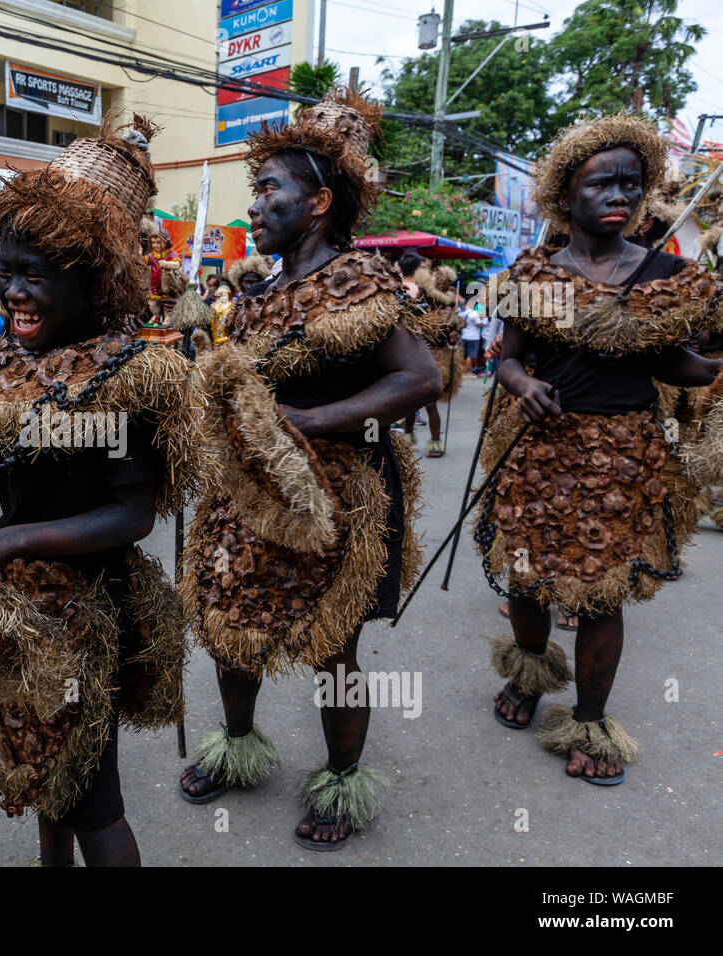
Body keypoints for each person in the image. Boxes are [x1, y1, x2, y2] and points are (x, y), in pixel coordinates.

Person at [0, 115, 203, 867]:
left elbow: (129, 514)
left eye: (36, 274)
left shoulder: (123, 374)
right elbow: (20, 463)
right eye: (8, 272)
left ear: (94, 278)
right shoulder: (8, 360)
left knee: (93, 800)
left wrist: (8, 540)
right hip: (18, 606)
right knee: (49, 776)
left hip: (84, 613)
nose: (14, 291)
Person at [176, 88, 442, 849]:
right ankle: (236, 745)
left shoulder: (359, 280)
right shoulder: (260, 293)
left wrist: (311, 422)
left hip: (338, 498)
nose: (254, 204)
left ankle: (341, 781)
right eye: (255, 189)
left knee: (334, 647)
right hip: (248, 495)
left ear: (319, 200)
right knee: (230, 627)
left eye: (268, 189)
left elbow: (417, 379)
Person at [476, 114, 723, 785]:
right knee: (526, 578)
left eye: (631, 184)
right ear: (565, 195)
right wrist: (524, 384)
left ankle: (589, 721)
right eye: (602, 184)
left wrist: (710, 366)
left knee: (600, 597)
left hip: (626, 456)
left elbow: (683, 366)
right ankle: (530, 673)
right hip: (541, 449)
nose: (620, 194)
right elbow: (509, 361)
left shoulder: (667, 275)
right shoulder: (538, 273)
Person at [402, 259, 463, 458]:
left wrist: (452, 340)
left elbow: (452, 338)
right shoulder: (419, 308)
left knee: (428, 403)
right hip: (416, 358)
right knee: (412, 402)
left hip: (434, 361)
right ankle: (408, 437)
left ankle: (434, 442)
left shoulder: (448, 314)